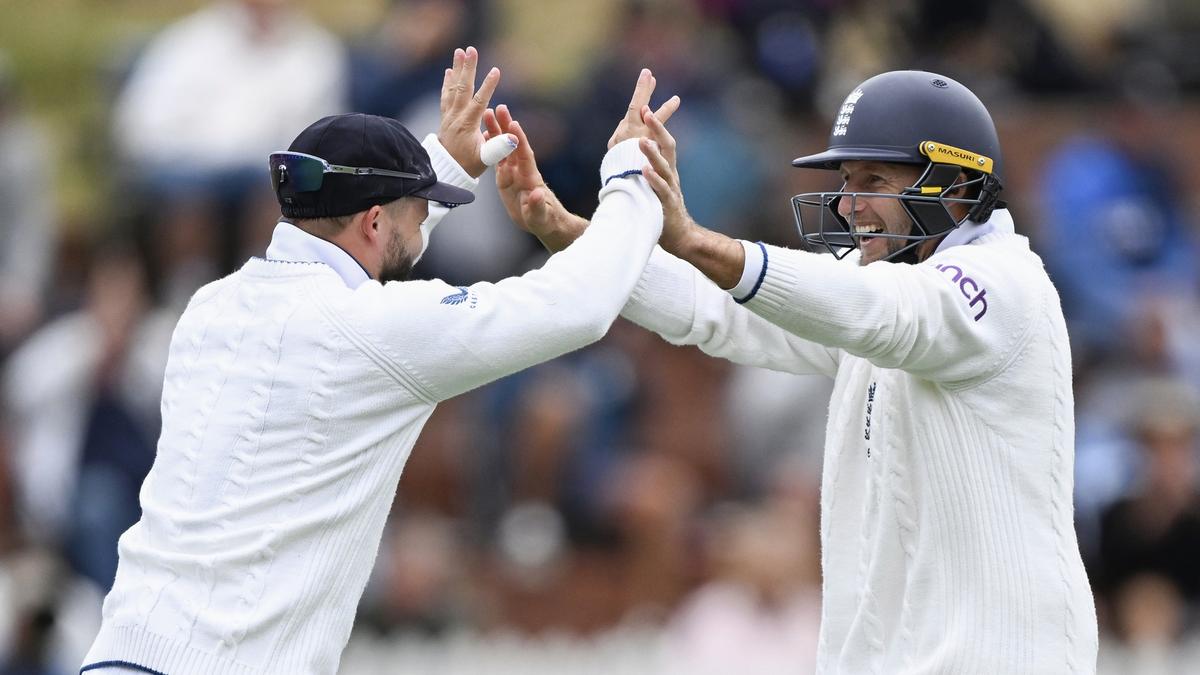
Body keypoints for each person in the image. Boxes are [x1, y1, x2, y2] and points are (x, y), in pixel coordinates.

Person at [80, 47, 676, 674]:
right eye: (418, 211)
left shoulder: (209, 309)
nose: (423, 226)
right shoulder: (372, 331)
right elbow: (579, 306)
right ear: (371, 221)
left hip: (120, 655)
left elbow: (370, 249)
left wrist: (440, 162)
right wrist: (628, 182)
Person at [488, 70, 1100, 671]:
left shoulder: (1003, 284)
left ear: (957, 188)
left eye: (874, 179)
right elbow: (717, 311)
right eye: (846, 179)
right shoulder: (878, 287)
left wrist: (697, 239)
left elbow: (886, 314)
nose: (849, 202)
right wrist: (565, 230)